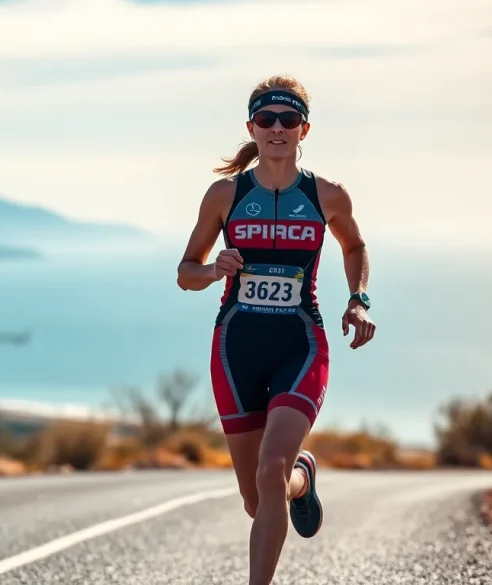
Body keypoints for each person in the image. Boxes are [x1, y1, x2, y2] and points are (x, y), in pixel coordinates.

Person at [176, 74, 376, 585]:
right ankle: (301, 477)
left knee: (269, 473)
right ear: (252, 127)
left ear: (304, 129)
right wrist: (214, 267)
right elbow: (185, 273)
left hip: (300, 346)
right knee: (256, 498)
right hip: (235, 349)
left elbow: (354, 247)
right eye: (266, 119)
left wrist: (357, 300)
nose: (277, 129)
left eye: (288, 119)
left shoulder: (328, 194)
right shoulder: (225, 195)